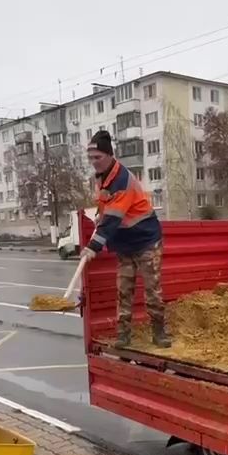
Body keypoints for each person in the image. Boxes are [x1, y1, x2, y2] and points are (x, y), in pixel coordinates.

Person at [81, 130, 172, 349]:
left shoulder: (122, 179)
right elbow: (105, 209)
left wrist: (94, 245)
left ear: (110, 156)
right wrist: (98, 217)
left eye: (97, 158)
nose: (94, 163)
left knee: (152, 290)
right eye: (91, 158)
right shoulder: (102, 179)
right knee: (124, 289)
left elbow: (113, 217)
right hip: (125, 244)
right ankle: (123, 335)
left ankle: (159, 332)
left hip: (146, 240)